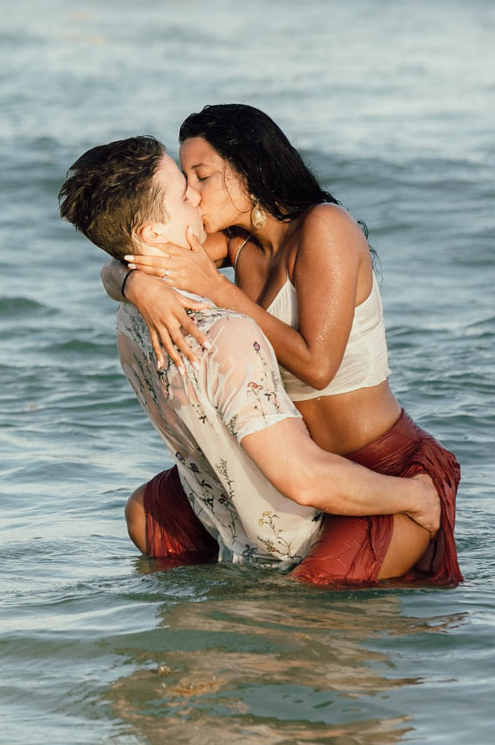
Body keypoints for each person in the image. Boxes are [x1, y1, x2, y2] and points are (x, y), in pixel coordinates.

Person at [101, 105, 461, 585]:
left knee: (307, 593)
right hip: (293, 470)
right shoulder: (237, 245)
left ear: (251, 171)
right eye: (184, 178)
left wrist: (218, 291)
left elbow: (318, 366)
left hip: (384, 468)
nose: (189, 192)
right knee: (148, 517)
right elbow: (124, 258)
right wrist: (135, 286)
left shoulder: (325, 227)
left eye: (201, 176)